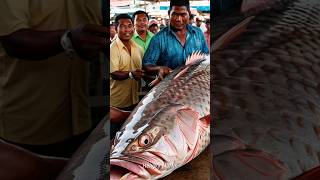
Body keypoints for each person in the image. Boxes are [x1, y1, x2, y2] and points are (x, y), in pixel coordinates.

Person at [0, 0, 106, 158]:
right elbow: (13, 41)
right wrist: (68, 40)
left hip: (81, 119)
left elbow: (94, 36)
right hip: (28, 123)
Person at [142, 0, 209, 81]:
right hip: (170, 87)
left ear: (189, 14)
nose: (178, 19)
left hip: (195, 85)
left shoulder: (198, 33)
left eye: (183, 14)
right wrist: (159, 68)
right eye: (175, 14)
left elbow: (206, 56)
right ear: (169, 13)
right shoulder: (158, 38)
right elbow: (146, 65)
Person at [110, 14, 143, 111]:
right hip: (117, 102)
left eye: (129, 26)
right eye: (122, 26)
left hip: (135, 99)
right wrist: (131, 74)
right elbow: (113, 74)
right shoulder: (112, 49)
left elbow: (142, 69)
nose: (127, 30)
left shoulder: (138, 48)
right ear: (116, 29)